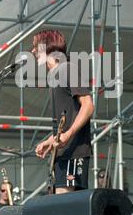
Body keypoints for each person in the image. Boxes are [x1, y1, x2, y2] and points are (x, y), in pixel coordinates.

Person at [33, 29, 94, 194]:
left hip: (73, 153)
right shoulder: (55, 76)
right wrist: (50, 140)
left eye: (35, 47)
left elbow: (88, 105)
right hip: (63, 153)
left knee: (65, 210)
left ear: (47, 47)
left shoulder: (67, 68)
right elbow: (66, 121)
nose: (33, 51)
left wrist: (68, 135)